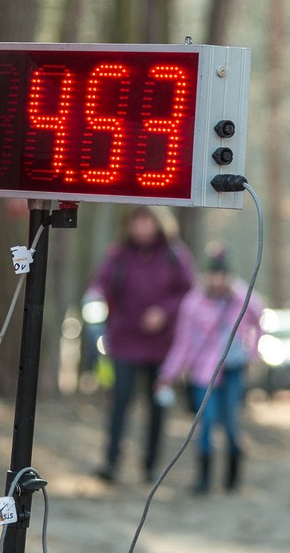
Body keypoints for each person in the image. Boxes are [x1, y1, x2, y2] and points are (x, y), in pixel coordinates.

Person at [86, 205, 196, 483]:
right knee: (120, 401)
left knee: (157, 405)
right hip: (123, 341)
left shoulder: (174, 254)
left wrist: (165, 312)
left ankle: (150, 465)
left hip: (162, 346)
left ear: (158, 223)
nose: (143, 227)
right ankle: (111, 462)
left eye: (148, 221)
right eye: (138, 221)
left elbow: (188, 293)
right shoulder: (118, 254)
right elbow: (101, 285)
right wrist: (95, 300)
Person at [156, 246, 264, 494]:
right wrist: (167, 374)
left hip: (233, 368)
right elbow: (182, 342)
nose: (218, 280)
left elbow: (260, 322)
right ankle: (204, 480)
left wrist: (254, 354)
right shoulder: (192, 302)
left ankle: (232, 477)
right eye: (213, 274)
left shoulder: (242, 297)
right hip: (203, 373)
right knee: (205, 424)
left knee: (231, 424)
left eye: (222, 274)